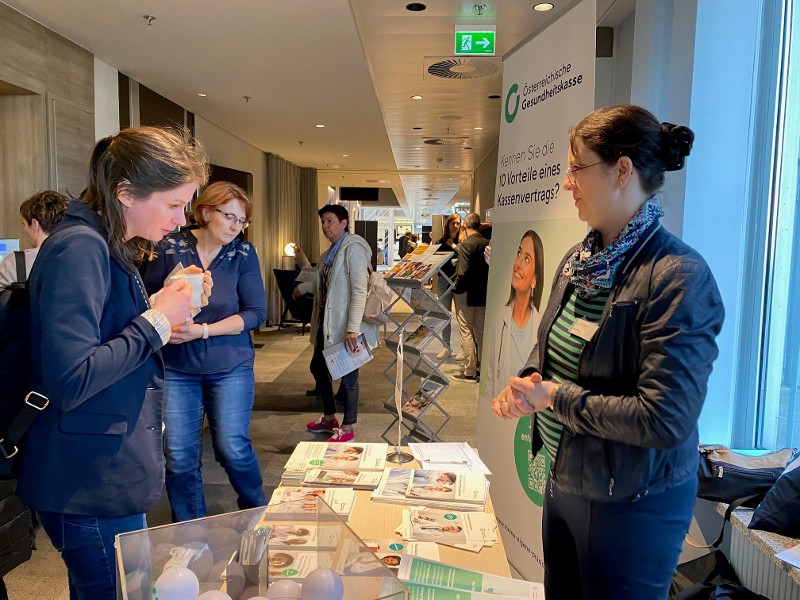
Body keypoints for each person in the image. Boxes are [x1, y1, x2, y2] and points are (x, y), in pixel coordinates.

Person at [491, 105, 724, 599]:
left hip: (631, 503)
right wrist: (531, 382)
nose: (567, 183)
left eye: (576, 168)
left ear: (622, 171)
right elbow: (551, 349)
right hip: (566, 480)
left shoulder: (679, 276)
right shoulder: (580, 261)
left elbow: (664, 419)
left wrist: (555, 398)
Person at [15, 126, 210, 598]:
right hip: (89, 479)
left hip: (103, 472)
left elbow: (107, 339)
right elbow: (70, 378)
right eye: (172, 204)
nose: (181, 219)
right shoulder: (80, 247)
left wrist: (163, 306)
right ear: (125, 193)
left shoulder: (101, 244)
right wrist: (159, 321)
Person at [142, 181, 268, 522]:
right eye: (229, 216)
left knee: (232, 448)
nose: (234, 226)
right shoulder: (169, 246)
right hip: (178, 366)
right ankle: (189, 529)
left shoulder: (242, 254)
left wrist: (203, 330)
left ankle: (257, 510)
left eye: (241, 220)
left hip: (230, 364)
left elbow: (257, 313)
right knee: (179, 455)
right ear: (206, 211)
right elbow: (147, 300)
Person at [293, 204, 377, 443]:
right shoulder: (330, 252)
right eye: (323, 222)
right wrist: (302, 288)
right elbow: (325, 283)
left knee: (349, 376)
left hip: (345, 324)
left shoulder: (354, 248)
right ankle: (330, 417)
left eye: (330, 221)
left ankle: (348, 426)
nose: (325, 226)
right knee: (318, 368)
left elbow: (359, 289)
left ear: (343, 223)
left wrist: (353, 328)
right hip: (326, 323)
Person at [482, 230, 544, 403]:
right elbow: (490, 379)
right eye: (518, 253)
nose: (518, 264)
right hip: (501, 415)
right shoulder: (500, 317)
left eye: (527, 259)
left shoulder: (542, 326)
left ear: (534, 281)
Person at [0, 190, 69, 291]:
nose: (24, 229)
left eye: (24, 224)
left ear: (35, 224)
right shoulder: (73, 257)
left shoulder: (15, 263)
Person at [452, 212, 490, 381]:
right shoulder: (487, 242)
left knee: (466, 331)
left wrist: (456, 288)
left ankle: (469, 371)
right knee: (481, 333)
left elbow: (463, 271)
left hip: (466, 294)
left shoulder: (467, 244)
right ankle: (482, 369)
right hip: (483, 293)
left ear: (465, 227)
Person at [434, 213, 461, 360]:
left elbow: (464, 257)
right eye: (453, 223)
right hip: (444, 281)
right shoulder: (441, 241)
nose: (455, 226)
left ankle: (464, 348)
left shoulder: (462, 240)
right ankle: (446, 346)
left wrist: (455, 247)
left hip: (458, 282)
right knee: (445, 315)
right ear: (448, 224)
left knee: (462, 316)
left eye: (458, 223)